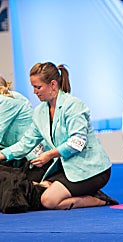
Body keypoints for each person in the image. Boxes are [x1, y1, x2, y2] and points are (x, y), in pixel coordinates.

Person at [0, 62, 116, 210]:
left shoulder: (74, 105)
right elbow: (25, 143)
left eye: (38, 87)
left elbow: (78, 142)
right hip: (66, 168)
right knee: (37, 187)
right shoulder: (40, 111)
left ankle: (99, 200)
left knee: (48, 201)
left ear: (53, 85)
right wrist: (2, 155)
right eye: (33, 87)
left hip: (92, 169)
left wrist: (49, 155)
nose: (35, 92)